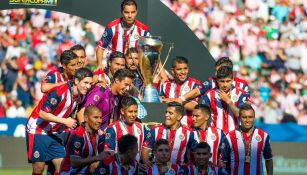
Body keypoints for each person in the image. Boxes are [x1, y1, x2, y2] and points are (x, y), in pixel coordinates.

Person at [26, 68, 93, 175]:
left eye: (90, 83)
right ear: (76, 81)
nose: (88, 86)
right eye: (85, 82)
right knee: (39, 167)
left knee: (62, 167)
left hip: (55, 132)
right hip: (38, 130)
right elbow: (42, 113)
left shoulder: (81, 95)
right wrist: (65, 121)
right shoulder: (60, 92)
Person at [96, 0, 150, 70]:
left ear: (136, 12)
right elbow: (100, 48)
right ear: (121, 12)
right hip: (114, 68)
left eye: (133, 12)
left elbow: (150, 53)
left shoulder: (143, 30)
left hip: (133, 69)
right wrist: (100, 64)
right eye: (126, 12)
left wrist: (162, 74)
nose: (130, 16)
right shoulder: (111, 27)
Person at [60, 106, 114, 174]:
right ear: (86, 118)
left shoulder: (96, 133)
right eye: (95, 117)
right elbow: (74, 162)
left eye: (100, 118)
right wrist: (97, 158)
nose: (99, 121)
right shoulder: (78, 135)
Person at [222, 104, 273, 175]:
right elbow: (223, 162)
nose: (247, 120)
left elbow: (268, 159)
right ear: (239, 118)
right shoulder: (230, 136)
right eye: (244, 117)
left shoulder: (264, 136)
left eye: (250, 117)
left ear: (254, 118)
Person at [175, 57, 249, 105]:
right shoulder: (212, 81)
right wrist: (181, 99)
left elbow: (247, 106)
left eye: (218, 71)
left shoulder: (243, 84)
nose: (215, 73)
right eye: (216, 71)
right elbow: (197, 91)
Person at [202, 66, 250, 134]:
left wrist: (228, 101)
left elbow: (241, 115)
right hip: (215, 136)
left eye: (228, 81)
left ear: (232, 79)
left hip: (235, 136)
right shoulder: (209, 95)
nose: (225, 84)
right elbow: (203, 116)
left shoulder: (241, 94)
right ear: (217, 80)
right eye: (222, 81)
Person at [104, 96, 150, 161]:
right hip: (120, 168)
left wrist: (144, 162)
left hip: (137, 169)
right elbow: (109, 153)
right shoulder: (113, 128)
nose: (133, 115)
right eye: (130, 111)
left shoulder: (141, 127)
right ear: (122, 111)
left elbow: (146, 148)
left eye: (135, 111)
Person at [159, 56, 201, 126]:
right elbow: (161, 103)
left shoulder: (195, 84)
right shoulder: (165, 85)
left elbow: (195, 107)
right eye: (179, 69)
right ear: (172, 71)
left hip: (189, 128)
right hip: (170, 127)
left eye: (185, 68)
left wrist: (172, 100)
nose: (183, 72)